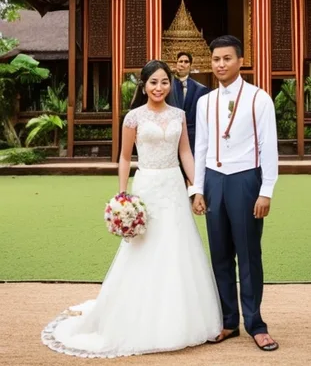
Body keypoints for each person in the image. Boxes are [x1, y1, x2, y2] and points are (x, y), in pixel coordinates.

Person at [42, 59, 222, 358]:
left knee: (178, 248)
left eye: (165, 82)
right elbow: (125, 157)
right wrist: (122, 195)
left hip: (174, 188)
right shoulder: (133, 118)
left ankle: (181, 319)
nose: (159, 87)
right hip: (147, 187)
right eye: (153, 82)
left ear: (170, 84)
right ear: (144, 84)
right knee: (143, 249)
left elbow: (186, 152)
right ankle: (136, 317)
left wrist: (196, 186)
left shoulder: (179, 114)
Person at [188, 35, 279, 352]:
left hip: (245, 179)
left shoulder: (259, 98)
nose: (220, 64)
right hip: (214, 180)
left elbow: (269, 147)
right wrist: (197, 188)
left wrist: (266, 190)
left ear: (240, 60)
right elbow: (200, 148)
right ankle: (229, 321)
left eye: (227, 58)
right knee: (221, 255)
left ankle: (256, 324)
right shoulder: (204, 101)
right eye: (216, 59)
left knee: (249, 254)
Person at [168, 51, 209, 153]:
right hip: (170, 133)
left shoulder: (200, 89)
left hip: (191, 136)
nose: (182, 64)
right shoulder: (167, 85)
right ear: (176, 64)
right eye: (180, 61)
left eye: (186, 62)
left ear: (190, 65)